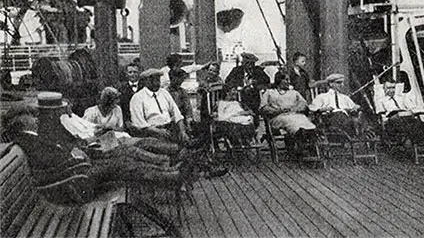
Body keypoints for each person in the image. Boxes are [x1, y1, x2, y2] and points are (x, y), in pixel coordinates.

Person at [2, 104, 186, 204]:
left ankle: (168, 173)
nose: (36, 119)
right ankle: (170, 176)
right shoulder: (27, 140)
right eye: (31, 116)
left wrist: (79, 151)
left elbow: (56, 157)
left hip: (77, 169)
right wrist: (77, 155)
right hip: (73, 181)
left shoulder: (33, 138)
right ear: (21, 121)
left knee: (124, 155)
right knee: (122, 163)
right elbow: (50, 162)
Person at [130, 68, 189, 144]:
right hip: (151, 133)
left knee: (189, 145)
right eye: (153, 81)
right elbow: (139, 123)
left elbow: (177, 114)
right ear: (146, 81)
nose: (156, 84)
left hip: (169, 129)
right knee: (171, 148)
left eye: (158, 80)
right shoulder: (138, 98)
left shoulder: (164, 93)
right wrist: (158, 131)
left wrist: (183, 132)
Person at [309, 73, 363, 137]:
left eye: (342, 83)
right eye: (339, 83)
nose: (342, 85)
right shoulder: (322, 97)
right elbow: (312, 108)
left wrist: (356, 107)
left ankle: (357, 138)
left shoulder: (345, 98)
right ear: (331, 84)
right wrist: (324, 109)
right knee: (344, 119)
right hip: (330, 118)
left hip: (344, 118)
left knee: (355, 120)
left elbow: (354, 106)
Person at [225, 52, 270, 125]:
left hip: (253, 96)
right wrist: (239, 85)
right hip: (239, 95)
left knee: (254, 102)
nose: (249, 66)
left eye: (251, 64)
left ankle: (255, 126)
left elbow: (267, 80)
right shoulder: (236, 71)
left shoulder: (257, 71)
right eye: (246, 63)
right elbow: (227, 81)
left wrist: (256, 82)